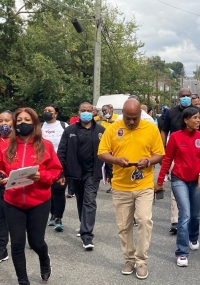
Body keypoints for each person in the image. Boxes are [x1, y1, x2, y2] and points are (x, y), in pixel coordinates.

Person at [98, 98, 164, 279]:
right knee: (123, 226)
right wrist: (116, 160)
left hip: (144, 184)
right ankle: (129, 259)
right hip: (120, 186)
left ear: (140, 115)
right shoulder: (113, 128)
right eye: (128, 118)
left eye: (135, 118)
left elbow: (160, 153)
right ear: (123, 115)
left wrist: (149, 161)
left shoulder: (150, 128)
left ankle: (141, 261)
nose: (132, 122)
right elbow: (102, 152)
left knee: (144, 220)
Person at [0, 107, 62, 284]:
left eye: (27, 120)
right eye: (19, 121)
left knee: (36, 242)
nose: (22, 124)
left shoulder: (46, 146)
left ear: (34, 123)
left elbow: (56, 170)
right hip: (13, 201)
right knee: (17, 244)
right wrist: (2, 177)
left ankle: (44, 259)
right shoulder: (6, 147)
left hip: (39, 201)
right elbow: (1, 169)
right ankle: (23, 281)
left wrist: (42, 176)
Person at [155, 107, 200, 267]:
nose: (198, 120)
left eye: (199, 118)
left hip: (196, 180)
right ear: (186, 120)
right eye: (195, 118)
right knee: (184, 214)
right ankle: (181, 252)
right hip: (179, 179)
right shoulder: (176, 137)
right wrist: (160, 180)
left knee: (195, 215)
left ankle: (193, 237)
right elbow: (167, 159)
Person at [57, 102, 111, 250]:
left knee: (89, 201)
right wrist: (61, 172)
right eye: (83, 110)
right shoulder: (70, 131)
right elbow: (61, 152)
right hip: (74, 173)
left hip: (92, 173)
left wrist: (110, 172)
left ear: (93, 112)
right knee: (81, 201)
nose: (86, 113)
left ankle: (87, 235)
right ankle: (83, 225)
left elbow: (108, 152)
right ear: (78, 112)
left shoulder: (101, 130)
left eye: (89, 110)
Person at [161, 88, 200, 234]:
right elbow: (164, 131)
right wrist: (163, 151)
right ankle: (176, 221)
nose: (186, 98)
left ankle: (191, 227)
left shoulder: (199, 113)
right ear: (178, 98)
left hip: (196, 157)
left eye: (188, 95)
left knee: (194, 201)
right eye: (183, 96)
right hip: (177, 155)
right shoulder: (171, 113)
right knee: (177, 192)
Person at [41, 104, 68, 232]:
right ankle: (51, 214)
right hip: (44, 164)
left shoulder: (63, 126)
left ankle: (58, 217)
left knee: (59, 190)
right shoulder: (39, 127)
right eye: (45, 110)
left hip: (60, 163)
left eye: (50, 111)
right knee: (48, 191)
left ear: (56, 114)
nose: (47, 112)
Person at [0, 110, 13, 264]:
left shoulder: (20, 141)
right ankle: (2, 249)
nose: (3, 124)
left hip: (17, 184)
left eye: (7, 120)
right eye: (0, 121)